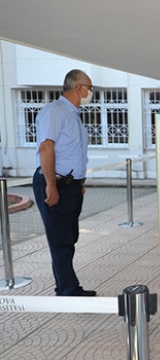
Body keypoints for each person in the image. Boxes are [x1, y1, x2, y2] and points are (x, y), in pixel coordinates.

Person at [32, 69, 96, 296]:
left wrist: (78, 182)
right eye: (90, 87)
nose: (90, 92)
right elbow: (46, 148)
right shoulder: (55, 112)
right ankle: (68, 289)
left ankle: (64, 284)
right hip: (55, 184)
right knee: (60, 241)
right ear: (79, 87)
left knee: (70, 237)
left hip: (71, 187)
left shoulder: (74, 115)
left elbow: (73, 153)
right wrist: (51, 185)